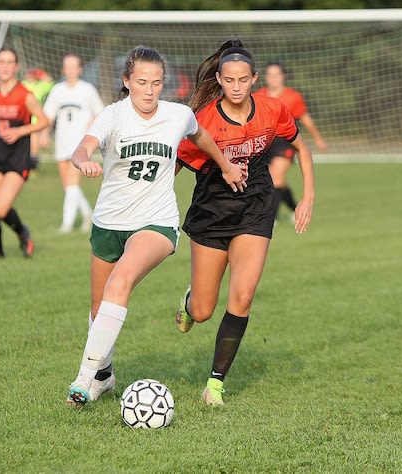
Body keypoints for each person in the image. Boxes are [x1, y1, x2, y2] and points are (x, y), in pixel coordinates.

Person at [65, 45, 245, 407]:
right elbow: (81, 148)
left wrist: (225, 165)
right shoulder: (113, 116)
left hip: (156, 223)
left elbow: (200, 136)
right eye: (142, 82)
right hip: (109, 222)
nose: (149, 90)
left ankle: (83, 379)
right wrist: (83, 162)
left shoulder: (177, 115)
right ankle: (103, 375)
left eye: (157, 83)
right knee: (100, 308)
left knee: (121, 282)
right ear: (127, 81)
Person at [175, 40, 315, 406]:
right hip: (212, 212)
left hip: (255, 208)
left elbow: (301, 147)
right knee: (204, 310)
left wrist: (308, 198)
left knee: (243, 295)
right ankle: (190, 303)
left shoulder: (273, 110)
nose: (237, 87)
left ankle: (215, 385)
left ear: (254, 78)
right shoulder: (202, 121)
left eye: (244, 80)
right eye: (229, 80)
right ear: (219, 80)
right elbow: (176, 164)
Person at [0, 47, 49, 258]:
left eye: (9, 62)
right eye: (1, 62)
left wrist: (20, 131)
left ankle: (23, 233)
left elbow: (44, 121)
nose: (5, 66)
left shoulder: (25, 95)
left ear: (16, 67)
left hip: (18, 157)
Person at [254, 62, 325, 224]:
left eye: (276, 74)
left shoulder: (293, 97)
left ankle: (271, 217)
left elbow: (305, 119)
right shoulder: (258, 96)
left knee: (275, 177)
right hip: (264, 143)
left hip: (285, 142)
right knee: (277, 180)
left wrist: (318, 138)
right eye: (270, 75)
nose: (273, 78)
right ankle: (295, 209)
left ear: (283, 76)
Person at [43, 53, 105, 233]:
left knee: (71, 184)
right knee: (69, 186)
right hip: (62, 141)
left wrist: (92, 121)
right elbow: (49, 115)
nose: (70, 70)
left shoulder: (87, 89)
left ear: (80, 69)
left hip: (80, 144)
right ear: (63, 69)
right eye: (67, 66)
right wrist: (43, 133)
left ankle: (67, 224)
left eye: (74, 66)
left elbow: (100, 112)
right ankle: (87, 214)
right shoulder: (57, 90)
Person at [22, 68, 54, 170]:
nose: (30, 76)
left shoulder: (41, 86)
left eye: (33, 74)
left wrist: (40, 73)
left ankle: (33, 165)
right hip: (23, 118)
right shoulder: (22, 85)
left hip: (35, 119)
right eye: (29, 74)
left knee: (34, 142)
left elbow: (50, 81)